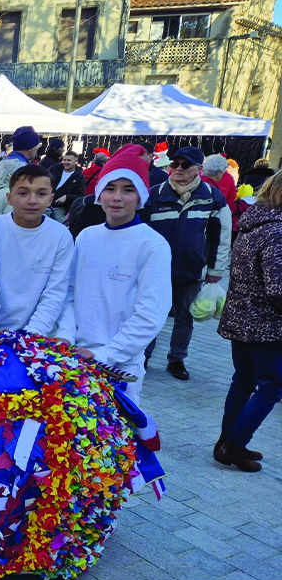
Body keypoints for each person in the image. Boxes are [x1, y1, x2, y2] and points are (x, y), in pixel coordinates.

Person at [56, 147, 172, 403]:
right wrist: (65, 337)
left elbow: (150, 315)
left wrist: (106, 354)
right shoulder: (87, 236)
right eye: (110, 188)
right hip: (74, 357)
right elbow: (69, 292)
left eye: (128, 190)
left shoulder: (152, 245)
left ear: (141, 196)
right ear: (99, 193)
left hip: (117, 366)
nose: (117, 197)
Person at [145, 146, 231, 380]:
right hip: (157, 270)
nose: (179, 168)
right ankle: (143, 355)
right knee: (152, 315)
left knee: (185, 318)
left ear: (199, 169)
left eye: (185, 165)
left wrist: (216, 270)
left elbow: (221, 235)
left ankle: (176, 360)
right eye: (175, 164)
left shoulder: (212, 197)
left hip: (192, 270)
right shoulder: (155, 194)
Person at [215, 172, 282, 472]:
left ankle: (226, 442)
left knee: (243, 380)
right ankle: (234, 445)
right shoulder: (277, 230)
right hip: (265, 324)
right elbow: (277, 288)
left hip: (242, 319)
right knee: (271, 386)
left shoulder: (254, 222)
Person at [0, 164, 73, 336]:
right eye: (23, 193)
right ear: (9, 198)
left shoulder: (61, 236)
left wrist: (32, 334)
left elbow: (55, 292)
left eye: (41, 194)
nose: (32, 200)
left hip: (36, 334)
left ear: (50, 199)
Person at [49, 150, 85, 224]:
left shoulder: (80, 177)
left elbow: (80, 195)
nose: (65, 162)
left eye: (68, 160)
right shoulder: (55, 169)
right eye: (64, 160)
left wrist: (66, 197)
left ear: (76, 161)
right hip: (46, 205)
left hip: (62, 209)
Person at [202, 153, 238, 221]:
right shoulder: (229, 178)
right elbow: (232, 196)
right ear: (219, 172)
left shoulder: (198, 177)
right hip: (218, 215)